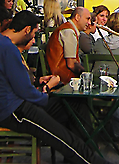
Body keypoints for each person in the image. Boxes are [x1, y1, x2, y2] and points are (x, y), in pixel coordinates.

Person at [0, 11, 110, 164]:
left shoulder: (5, 45)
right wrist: (45, 92)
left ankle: (81, 156)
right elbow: (24, 90)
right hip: (15, 110)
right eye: (33, 33)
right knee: (63, 138)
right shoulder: (7, 48)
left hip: (16, 104)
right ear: (26, 29)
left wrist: (39, 81)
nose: (33, 38)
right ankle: (91, 158)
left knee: (74, 105)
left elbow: (11, 79)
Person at [46, 7, 91, 84]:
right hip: (63, 79)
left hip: (59, 75)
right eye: (87, 19)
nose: (89, 23)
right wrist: (87, 73)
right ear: (77, 17)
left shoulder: (68, 28)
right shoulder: (69, 31)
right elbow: (71, 64)